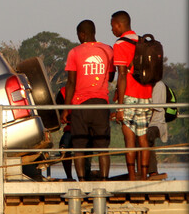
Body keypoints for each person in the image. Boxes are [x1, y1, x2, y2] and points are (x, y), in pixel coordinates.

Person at [62, 19, 113, 181]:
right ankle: (104, 180)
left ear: (82, 34)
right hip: (101, 104)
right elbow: (111, 77)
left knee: (79, 148)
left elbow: (71, 83)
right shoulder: (107, 50)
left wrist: (65, 109)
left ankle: (82, 182)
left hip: (80, 106)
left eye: (78, 34)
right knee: (102, 148)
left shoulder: (74, 52)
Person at [111, 10, 154, 180]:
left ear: (119, 24)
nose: (112, 29)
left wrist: (120, 106)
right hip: (146, 95)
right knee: (142, 139)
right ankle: (143, 176)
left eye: (112, 25)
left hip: (129, 95)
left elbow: (122, 75)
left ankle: (132, 178)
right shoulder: (143, 41)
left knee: (129, 140)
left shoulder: (120, 44)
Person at [146, 80, 170, 180]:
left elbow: (153, 109)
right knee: (136, 135)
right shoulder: (144, 84)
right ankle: (141, 171)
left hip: (156, 123)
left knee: (146, 136)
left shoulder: (158, 85)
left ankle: (152, 172)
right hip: (145, 123)